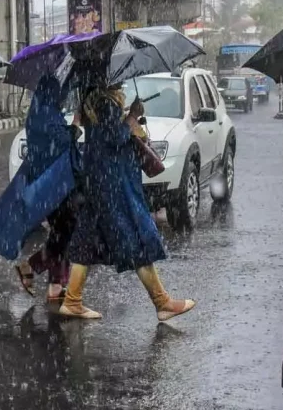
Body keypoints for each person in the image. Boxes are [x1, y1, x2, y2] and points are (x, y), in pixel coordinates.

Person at [63, 80, 196, 321]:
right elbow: (114, 137)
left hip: (98, 179)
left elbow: (104, 136)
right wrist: (132, 116)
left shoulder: (92, 99)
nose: (122, 81)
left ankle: (72, 300)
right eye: (118, 78)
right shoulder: (105, 103)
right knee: (135, 236)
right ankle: (162, 302)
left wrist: (126, 116)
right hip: (114, 183)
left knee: (88, 239)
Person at [14, 75, 79, 303]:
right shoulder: (48, 115)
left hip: (50, 180)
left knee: (61, 231)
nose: (63, 97)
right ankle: (33, 267)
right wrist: (76, 125)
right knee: (67, 230)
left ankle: (55, 284)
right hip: (53, 183)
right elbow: (62, 141)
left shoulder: (40, 112)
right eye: (61, 93)